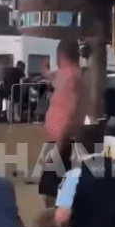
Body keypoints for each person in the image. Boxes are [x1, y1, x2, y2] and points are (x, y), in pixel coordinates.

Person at [37, 39, 88, 207]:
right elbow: (50, 75)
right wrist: (44, 69)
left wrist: (59, 146)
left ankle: (57, 225)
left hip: (63, 141)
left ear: (62, 55)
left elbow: (72, 112)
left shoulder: (71, 76)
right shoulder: (68, 73)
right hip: (61, 141)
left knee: (52, 191)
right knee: (54, 189)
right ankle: (59, 222)